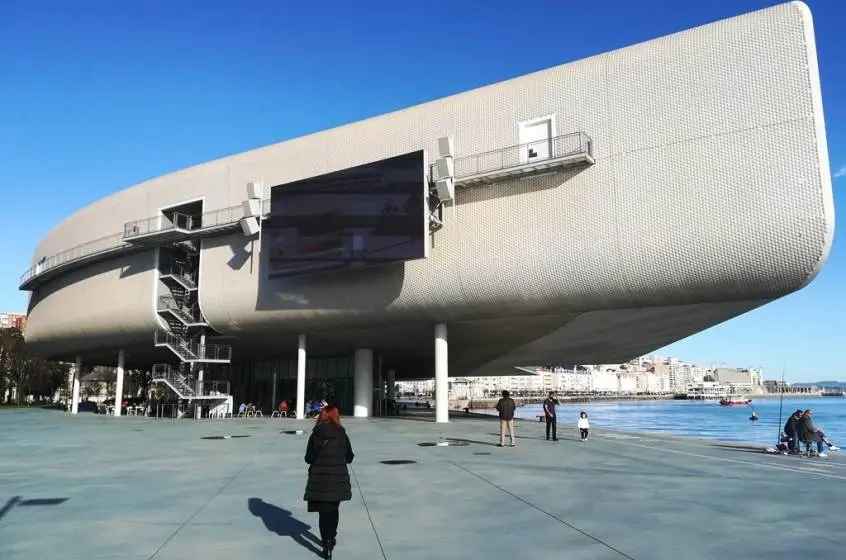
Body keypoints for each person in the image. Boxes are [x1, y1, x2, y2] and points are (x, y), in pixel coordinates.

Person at [304, 405, 354, 559]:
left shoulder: (315, 434)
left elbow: (308, 458)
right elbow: (350, 457)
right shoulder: (342, 434)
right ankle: (331, 539)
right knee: (333, 510)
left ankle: (326, 542)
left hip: (319, 481)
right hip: (337, 480)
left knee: (323, 513)